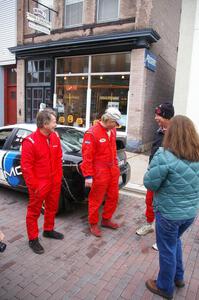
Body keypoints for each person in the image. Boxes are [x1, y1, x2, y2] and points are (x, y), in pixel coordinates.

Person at [144, 115, 199, 299]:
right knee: (175, 242)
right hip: (189, 214)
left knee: (166, 248)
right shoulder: (197, 156)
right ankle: (179, 278)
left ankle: (164, 287)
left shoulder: (164, 155)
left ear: (171, 133)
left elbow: (150, 184)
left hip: (168, 214)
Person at [21, 108, 64, 254]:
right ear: (45, 124)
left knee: (52, 208)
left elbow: (58, 159)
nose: (55, 124)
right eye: (54, 122)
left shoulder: (55, 137)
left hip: (54, 182)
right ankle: (33, 239)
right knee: (33, 212)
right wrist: (35, 187)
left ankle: (48, 230)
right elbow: (27, 168)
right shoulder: (30, 142)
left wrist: (58, 179)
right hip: (39, 185)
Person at [136, 102, 175, 250]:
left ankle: (164, 239)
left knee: (164, 208)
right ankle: (149, 225)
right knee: (149, 201)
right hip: (154, 173)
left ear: (166, 116)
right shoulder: (158, 131)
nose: (155, 118)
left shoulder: (176, 133)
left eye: (158, 115)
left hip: (168, 178)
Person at [80, 107, 122, 237]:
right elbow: (87, 157)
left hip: (112, 169)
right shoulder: (92, 133)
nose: (116, 125)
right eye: (114, 122)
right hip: (99, 171)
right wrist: (88, 176)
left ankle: (106, 220)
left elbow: (113, 149)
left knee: (113, 196)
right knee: (96, 198)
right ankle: (93, 224)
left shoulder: (112, 130)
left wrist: (116, 164)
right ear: (108, 119)